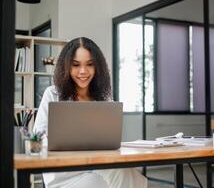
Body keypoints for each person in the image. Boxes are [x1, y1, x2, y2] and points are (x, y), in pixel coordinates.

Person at [33, 37, 147, 188]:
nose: (83, 71)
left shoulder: (104, 98)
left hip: (99, 164)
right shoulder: (53, 94)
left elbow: (111, 139)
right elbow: (36, 139)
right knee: (97, 183)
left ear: (97, 67)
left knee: (130, 175)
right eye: (75, 65)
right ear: (66, 67)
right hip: (64, 172)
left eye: (90, 64)